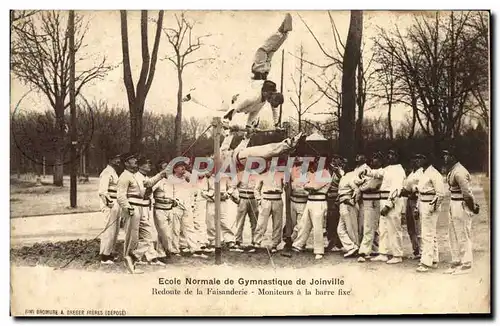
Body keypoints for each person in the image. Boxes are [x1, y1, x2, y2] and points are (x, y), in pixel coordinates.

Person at [117, 153, 168, 274]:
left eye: (135, 158)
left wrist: (161, 174)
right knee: (132, 237)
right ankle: (130, 264)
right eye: (131, 159)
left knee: (147, 236)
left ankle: (132, 258)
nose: (134, 160)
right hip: (133, 208)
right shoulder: (125, 176)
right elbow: (120, 195)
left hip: (143, 208)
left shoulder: (136, 176)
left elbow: (148, 184)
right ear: (126, 163)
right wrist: (128, 208)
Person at [361, 149, 406, 264]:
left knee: (394, 228)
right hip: (383, 200)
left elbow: (396, 189)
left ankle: (397, 254)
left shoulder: (399, 170)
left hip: (392, 202)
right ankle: (383, 253)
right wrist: (366, 172)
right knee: (383, 229)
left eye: (392, 154)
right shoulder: (388, 169)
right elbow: (378, 173)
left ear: (397, 157)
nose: (389, 156)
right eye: (389, 154)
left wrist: (389, 205)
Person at [442, 147, 480, 275]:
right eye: (445, 155)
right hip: (454, 203)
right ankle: (456, 261)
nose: (445, 157)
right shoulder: (453, 170)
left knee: (462, 233)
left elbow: (467, 194)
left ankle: (467, 264)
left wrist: (473, 207)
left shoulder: (460, 171)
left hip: (461, 205)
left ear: (454, 157)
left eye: (447, 155)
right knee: (453, 233)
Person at [411, 153, 445, 272]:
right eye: (417, 158)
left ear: (427, 159)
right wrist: (417, 207)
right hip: (423, 204)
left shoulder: (434, 173)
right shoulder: (422, 173)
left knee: (427, 234)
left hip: (430, 205)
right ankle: (434, 259)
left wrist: (432, 207)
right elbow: (420, 193)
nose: (418, 160)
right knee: (431, 233)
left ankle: (426, 262)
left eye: (421, 158)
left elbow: (440, 194)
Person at [167, 161, 209, 259]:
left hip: (187, 206)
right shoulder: (171, 179)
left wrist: (191, 204)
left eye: (184, 166)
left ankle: (194, 249)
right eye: (180, 166)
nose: (183, 168)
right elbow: (169, 193)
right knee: (175, 229)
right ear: (175, 169)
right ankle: (175, 250)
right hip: (176, 207)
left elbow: (193, 189)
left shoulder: (187, 180)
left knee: (190, 227)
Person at [292, 160, 331, 260]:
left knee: (318, 227)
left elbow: (314, 187)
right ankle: (298, 245)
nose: (316, 163)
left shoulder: (326, 173)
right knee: (304, 224)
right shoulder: (314, 174)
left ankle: (319, 251)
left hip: (319, 201)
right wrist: (307, 185)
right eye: (316, 161)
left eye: (319, 161)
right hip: (310, 201)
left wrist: (307, 186)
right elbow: (301, 184)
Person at [133, 157, 163, 266]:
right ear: (140, 166)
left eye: (150, 163)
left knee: (148, 232)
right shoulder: (136, 177)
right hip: (140, 206)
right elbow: (143, 192)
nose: (149, 166)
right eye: (146, 164)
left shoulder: (146, 177)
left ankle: (142, 257)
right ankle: (149, 257)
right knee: (145, 232)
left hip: (148, 206)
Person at [201, 169, 240, 251]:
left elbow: (232, 187)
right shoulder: (207, 178)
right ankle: (213, 241)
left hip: (222, 202)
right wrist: (212, 196)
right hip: (212, 202)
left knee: (224, 221)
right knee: (210, 221)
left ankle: (230, 240)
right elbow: (203, 191)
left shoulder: (224, 177)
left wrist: (227, 194)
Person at [357, 152, 383, 262]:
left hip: (374, 201)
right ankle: (374, 249)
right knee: (368, 226)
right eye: (372, 158)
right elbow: (357, 182)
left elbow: (369, 186)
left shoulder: (381, 172)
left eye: (376, 159)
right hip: (366, 201)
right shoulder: (370, 172)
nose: (373, 161)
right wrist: (362, 184)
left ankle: (364, 252)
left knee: (370, 226)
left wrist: (362, 186)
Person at [254, 162, 285, 253]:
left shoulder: (281, 175)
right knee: (262, 222)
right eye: (270, 164)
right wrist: (259, 200)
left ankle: (275, 244)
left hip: (277, 199)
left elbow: (286, 186)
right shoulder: (262, 175)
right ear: (267, 165)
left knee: (277, 223)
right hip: (266, 199)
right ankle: (257, 241)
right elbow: (256, 189)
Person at [251, 13, 293, 80]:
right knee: (262, 50)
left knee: (271, 50)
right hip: (260, 71)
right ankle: (282, 31)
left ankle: (284, 32)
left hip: (264, 71)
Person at [98, 153, 123, 264]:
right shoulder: (106, 172)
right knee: (109, 230)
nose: (118, 160)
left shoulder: (114, 172)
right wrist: (110, 205)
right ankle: (104, 256)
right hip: (110, 205)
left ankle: (110, 253)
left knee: (115, 231)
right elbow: (103, 192)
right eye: (115, 158)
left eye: (118, 158)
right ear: (110, 159)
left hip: (116, 204)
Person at [282, 158, 309, 252]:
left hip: (303, 202)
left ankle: (297, 242)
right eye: (297, 163)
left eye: (301, 163)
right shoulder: (291, 171)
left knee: (301, 224)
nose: (299, 166)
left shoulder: (308, 174)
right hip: (293, 201)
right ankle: (289, 240)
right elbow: (286, 183)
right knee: (291, 223)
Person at [336, 162, 361, 258]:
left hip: (348, 204)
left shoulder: (352, 176)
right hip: (342, 203)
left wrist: (352, 201)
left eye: (345, 165)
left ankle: (355, 247)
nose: (343, 166)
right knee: (340, 230)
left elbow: (357, 190)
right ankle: (352, 247)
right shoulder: (344, 176)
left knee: (351, 228)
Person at [232, 167, 260, 252]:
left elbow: (259, 188)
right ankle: (238, 240)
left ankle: (255, 241)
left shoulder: (256, 175)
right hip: (243, 199)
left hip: (253, 199)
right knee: (240, 221)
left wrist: (259, 199)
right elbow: (232, 187)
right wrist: (236, 199)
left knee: (254, 221)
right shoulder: (240, 175)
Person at [402, 155, 424, 259]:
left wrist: (411, 193)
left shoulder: (421, 173)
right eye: (413, 159)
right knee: (410, 226)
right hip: (409, 200)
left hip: (417, 201)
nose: (415, 161)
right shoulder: (411, 173)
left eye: (417, 159)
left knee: (418, 226)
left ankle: (422, 250)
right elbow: (406, 188)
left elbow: (419, 190)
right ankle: (416, 250)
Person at [326, 156, 345, 252]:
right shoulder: (328, 171)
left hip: (336, 198)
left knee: (335, 220)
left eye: (337, 158)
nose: (334, 160)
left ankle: (336, 242)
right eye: (333, 158)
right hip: (328, 198)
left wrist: (336, 171)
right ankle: (331, 240)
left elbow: (342, 180)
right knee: (329, 221)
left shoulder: (341, 171)